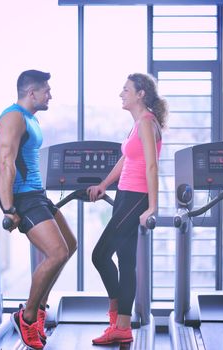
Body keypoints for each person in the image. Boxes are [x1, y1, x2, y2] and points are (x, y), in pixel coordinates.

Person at [0, 70, 77, 350]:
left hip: (37, 194)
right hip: (23, 198)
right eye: (46, 90)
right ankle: (27, 316)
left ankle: (39, 307)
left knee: (70, 245)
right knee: (57, 252)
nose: (50, 94)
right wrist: (8, 208)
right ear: (32, 93)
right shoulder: (13, 117)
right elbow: (5, 163)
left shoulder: (31, 118)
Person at [87, 73, 168, 345]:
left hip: (137, 197)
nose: (121, 94)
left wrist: (152, 207)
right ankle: (123, 326)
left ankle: (117, 317)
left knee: (99, 255)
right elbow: (126, 159)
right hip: (125, 194)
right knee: (126, 262)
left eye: (126, 90)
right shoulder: (137, 124)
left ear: (140, 94)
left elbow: (152, 166)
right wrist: (104, 185)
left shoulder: (146, 122)